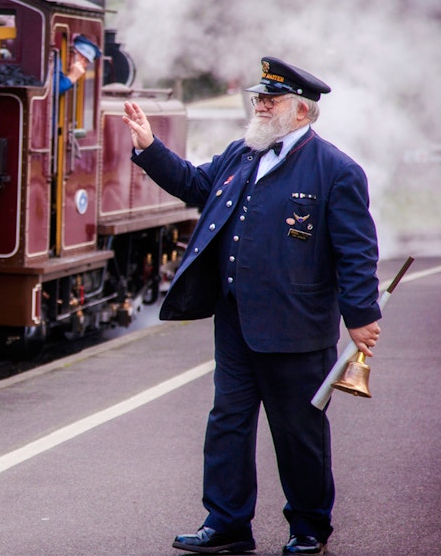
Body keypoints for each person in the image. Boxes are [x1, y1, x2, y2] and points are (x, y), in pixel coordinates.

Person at [122, 57, 382, 555]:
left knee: (299, 434)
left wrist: (362, 315)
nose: (259, 104)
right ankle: (227, 524)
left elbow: (356, 250)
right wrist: (150, 148)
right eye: (259, 97)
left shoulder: (336, 170)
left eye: (271, 98)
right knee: (228, 424)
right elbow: (196, 185)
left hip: (297, 328)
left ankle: (309, 529)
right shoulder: (242, 153)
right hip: (236, 321)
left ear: (302, 111)